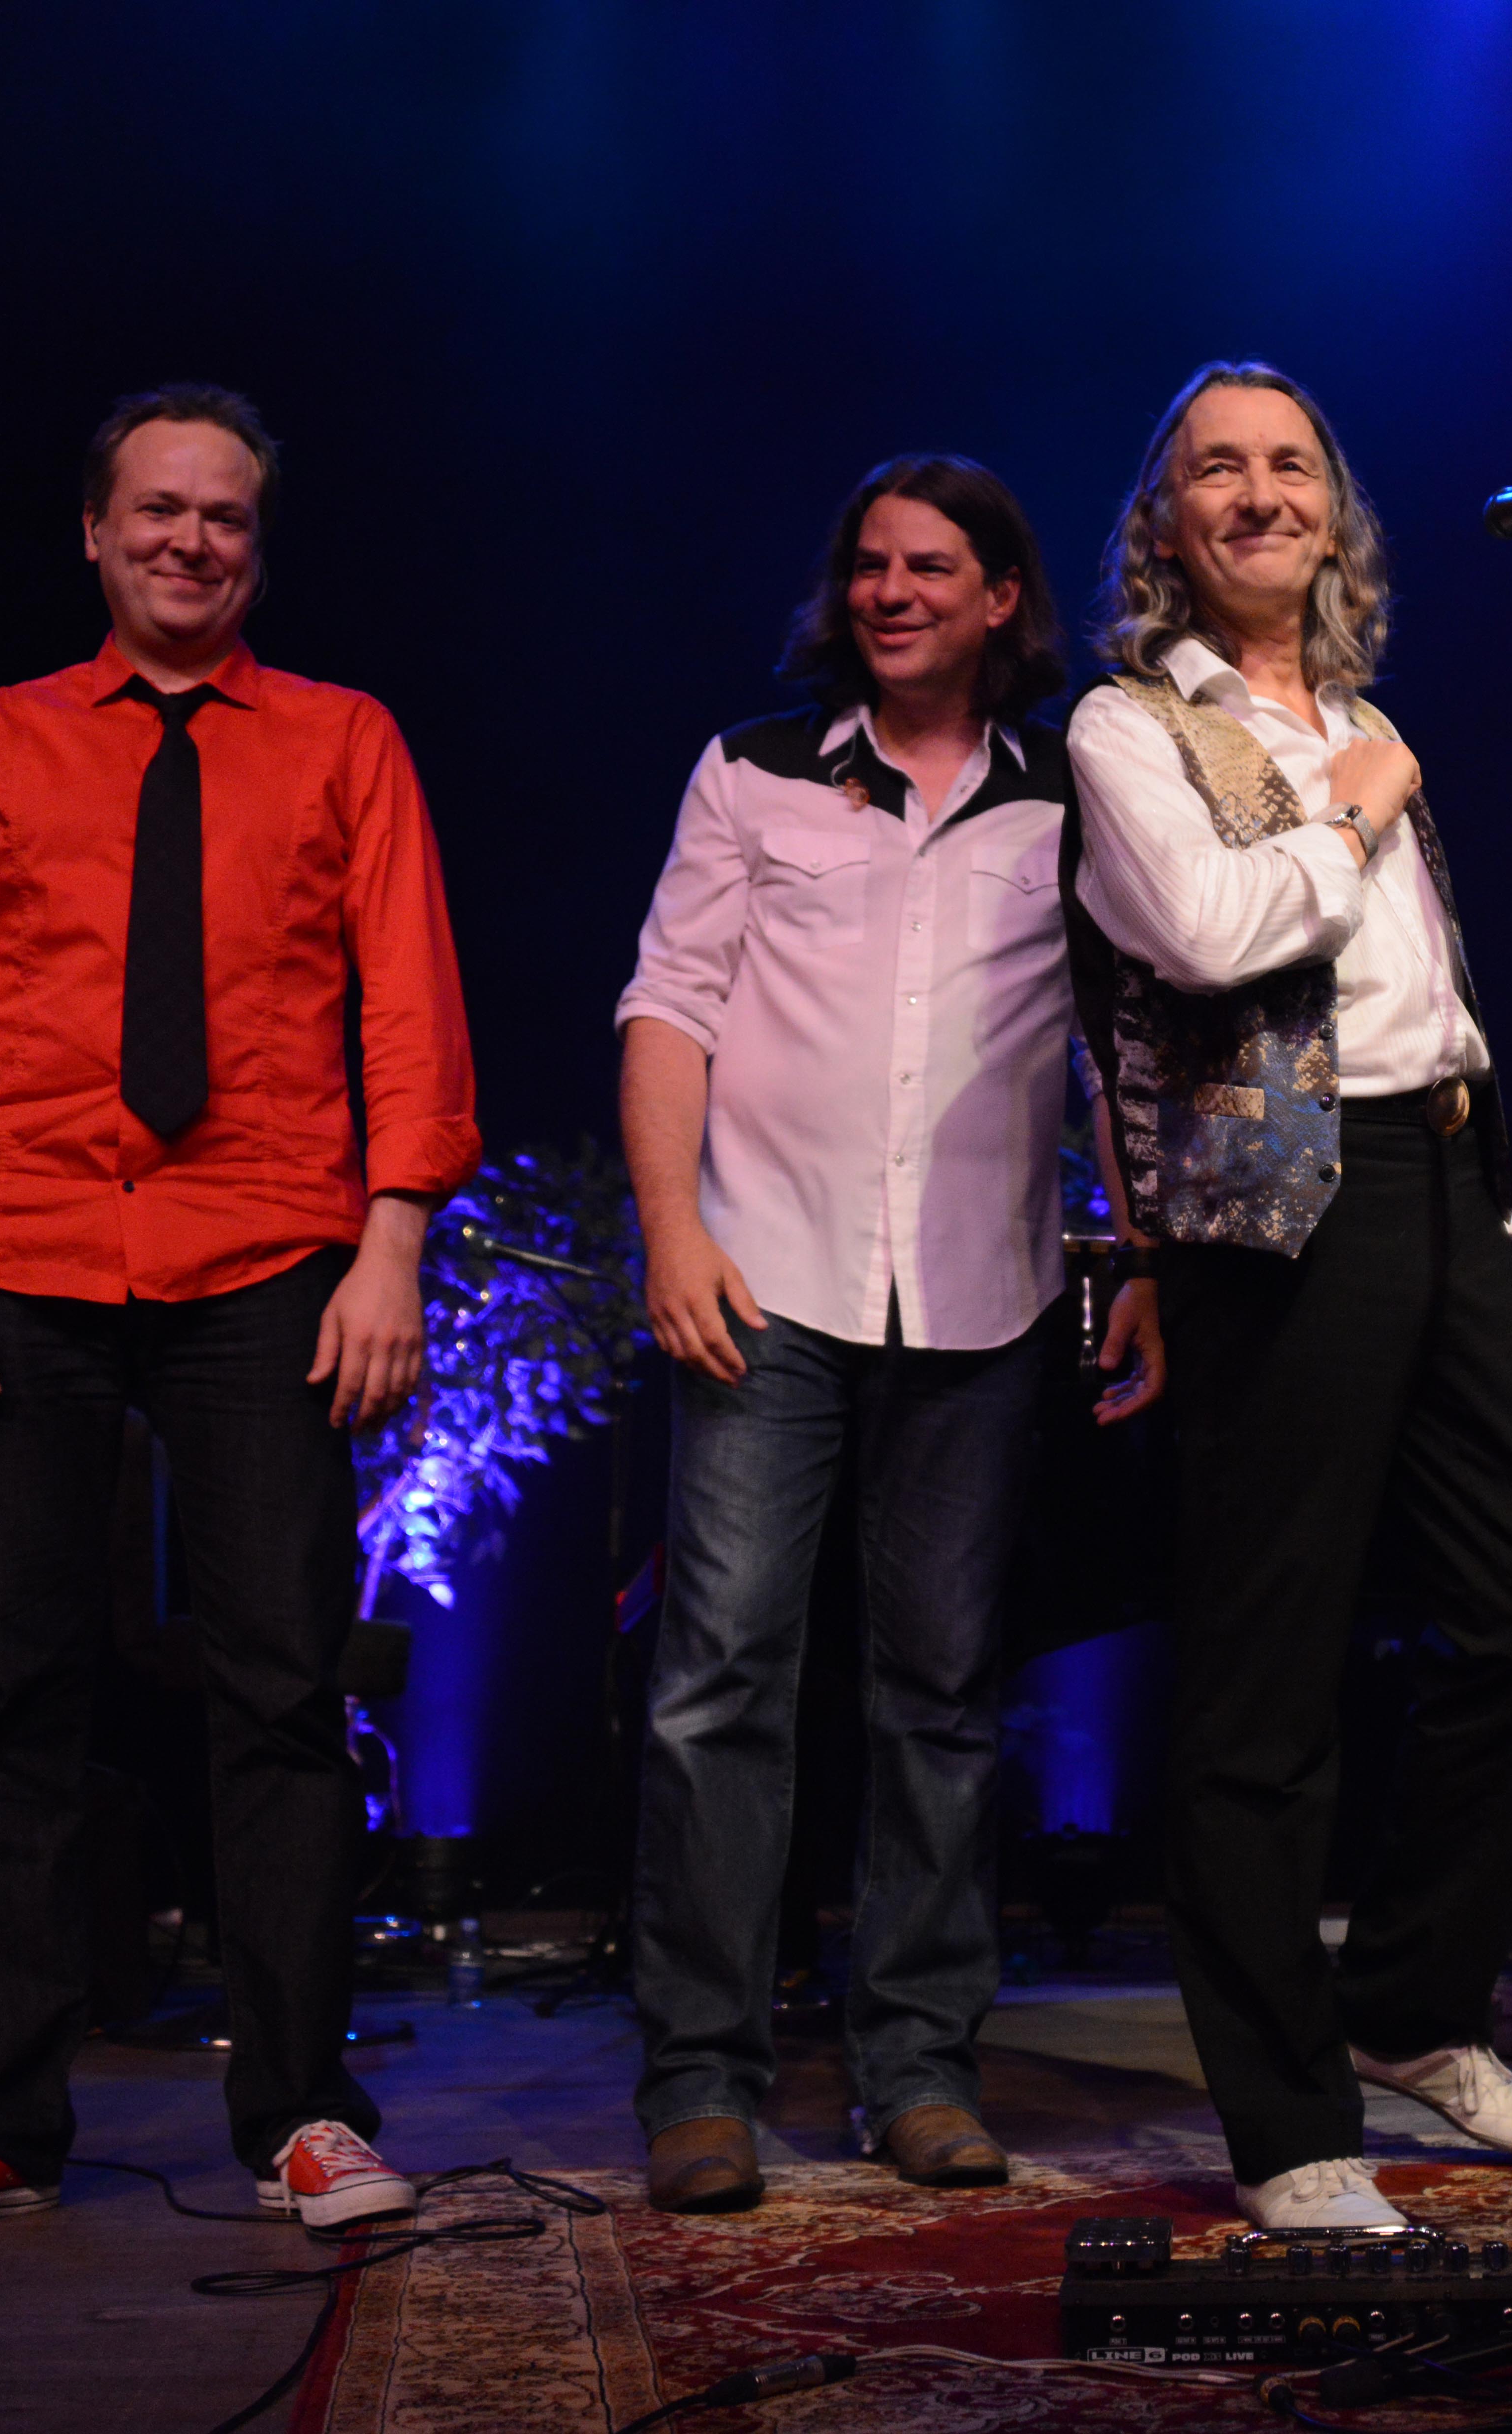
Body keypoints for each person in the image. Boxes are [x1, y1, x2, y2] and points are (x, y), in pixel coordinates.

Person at [0, 384, 476, 2240]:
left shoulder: (345, 738)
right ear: (96, 533)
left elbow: (409, 1003)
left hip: (266, 1252)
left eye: (226, 516)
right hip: (21, 1251)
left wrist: (391, 1246)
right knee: (4, 1687)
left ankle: (302, 2111)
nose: (193, 540)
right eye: (159, 510)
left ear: (257, 544)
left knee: (282, 1684)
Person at [1066, 362, 1512, 2235]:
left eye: (1291, 464)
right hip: (1284, 1205)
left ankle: (1414, 2004)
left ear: (1336, 512)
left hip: (1445, 1179)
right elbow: (1213, 939)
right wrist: (1356, 812)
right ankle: (1290, 2115)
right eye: (1218, 468)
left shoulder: (1362, 715)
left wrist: (1485, 1213)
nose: (1260, 493)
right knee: (1266, 1676)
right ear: (1168, 519)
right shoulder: (1131, 726)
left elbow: (1422, 996)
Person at [617, 455, 1163, 2215]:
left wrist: (1144, 1256)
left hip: (980, 1299)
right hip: (764, 1279)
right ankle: (701, 2080)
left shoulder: (1071, 793)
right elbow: (668, 1006)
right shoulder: (755, 767)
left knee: (940, 1696)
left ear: (1003, 597)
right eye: (870, 564)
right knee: (720, 1685)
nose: (893, 592)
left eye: (933, 566)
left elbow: (1114, 1046)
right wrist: (672, 1231)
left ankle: (920, 2067)